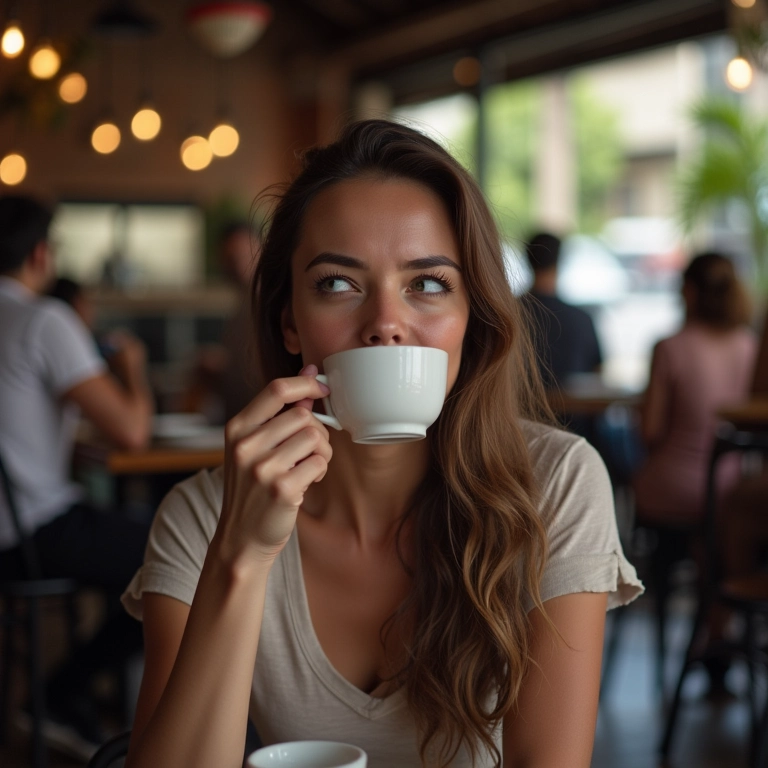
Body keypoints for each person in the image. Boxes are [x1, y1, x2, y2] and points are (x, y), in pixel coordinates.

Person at [122, 120, 642, 768]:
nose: (386, 324)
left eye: (428, 283)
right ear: (290, 322)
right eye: (338, 283)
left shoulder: (554, 485)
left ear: (471, 316)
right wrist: (242, 555)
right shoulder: (205, 519)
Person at [0, 195, 155, 757]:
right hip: (30, 533)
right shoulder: (43, 319)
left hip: (13, 534)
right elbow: (132, 432)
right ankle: (62, 696)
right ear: (41, 254)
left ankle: (77, 697)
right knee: (181, 557)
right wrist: (132, 368)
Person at [632, 252, 757, 524]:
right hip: (732, 487)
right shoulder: (751, 346)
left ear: (689, 291)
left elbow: (650, 431)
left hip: (672, 487)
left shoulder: (669, 348)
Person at [184, 220, 262, 423]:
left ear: (261, 251)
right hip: (244, 421)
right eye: (230, 258)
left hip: (260, 424)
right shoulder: (242, 304)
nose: (237, 264)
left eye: (243, 255)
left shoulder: (268, 303)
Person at [520, 231, 603, 391]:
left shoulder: (505, 317)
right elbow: (597, 376)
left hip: (515, 406)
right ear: (559, 262)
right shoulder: (582, 320)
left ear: (527, 260)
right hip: (575, 407)